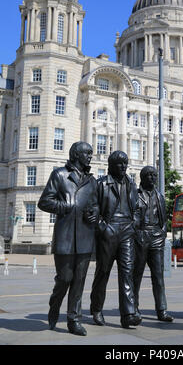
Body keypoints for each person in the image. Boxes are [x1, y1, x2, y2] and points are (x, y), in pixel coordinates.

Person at [38, 141, 99, 336]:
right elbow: (44, 201)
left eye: (91, 153)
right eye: (86, 153)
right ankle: (54, 305)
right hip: (64, 237)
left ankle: (74, 320)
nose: (90, 156)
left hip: (85, 236)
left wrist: (94, 214)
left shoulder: (92, 181)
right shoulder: (59, 175)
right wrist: (64, 207)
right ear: (76, 155)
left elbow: (96, 205)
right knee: (64, 278)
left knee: (79, 281)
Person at [90, 151, 141, 329]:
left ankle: (128, 314)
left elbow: (136, 208)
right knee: (103, 272)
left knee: (127, 272)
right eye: (119, 163)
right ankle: (96, 309)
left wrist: (134, 223)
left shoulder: (131, 184)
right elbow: (93, 209)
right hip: (109, 230)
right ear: (111, 165)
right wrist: (103, 227)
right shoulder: (101, 183)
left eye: (125, 163)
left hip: (127, 230)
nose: (123, 166)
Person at [133, 166, 173, 323]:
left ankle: (162, 310)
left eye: (154, 175)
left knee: (158, 276)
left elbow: (164, 219)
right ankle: (133, 308)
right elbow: (133, 218)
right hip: (141, 236)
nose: (152, 178)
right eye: (149, 175)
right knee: (136, 276)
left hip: (156, 237)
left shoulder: (159, 196)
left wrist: (162, 233)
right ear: (142, 178)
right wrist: (138, 234)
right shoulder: (135, 195)